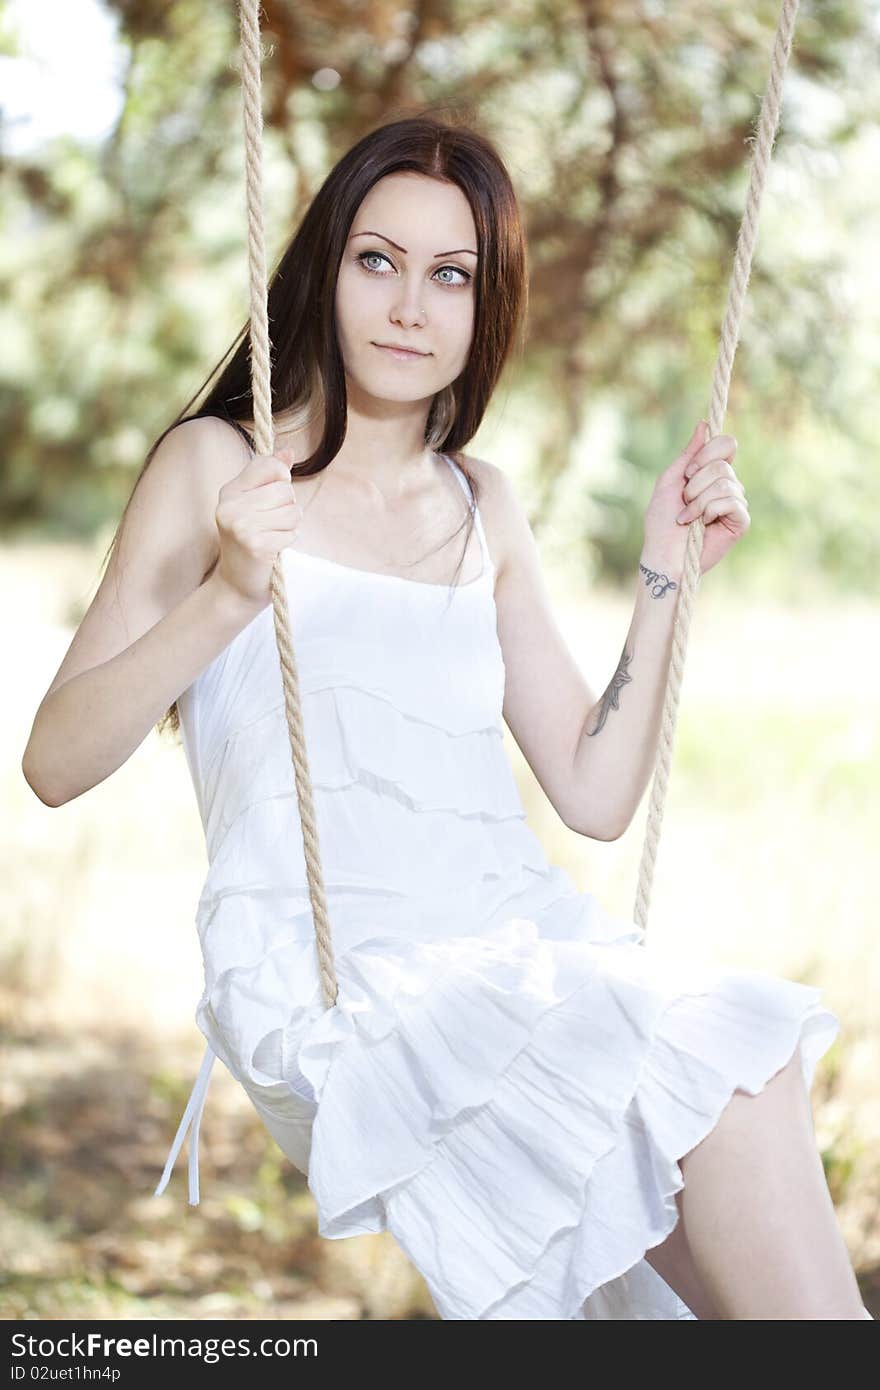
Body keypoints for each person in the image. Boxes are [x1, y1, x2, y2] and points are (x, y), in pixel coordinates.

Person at [21, 113, 870, 1321]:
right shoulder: (218, 468)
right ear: (325, 269)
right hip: (344, 976)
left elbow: (591, 789)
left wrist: (665, 570)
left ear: (487, 306)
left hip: (510, 946)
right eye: (378, 261)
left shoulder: (483, 504)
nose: (410, 306)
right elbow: (53, 761)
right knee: (729, 1085)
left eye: (450, 274)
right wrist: (225, 597)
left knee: (751, 1063)